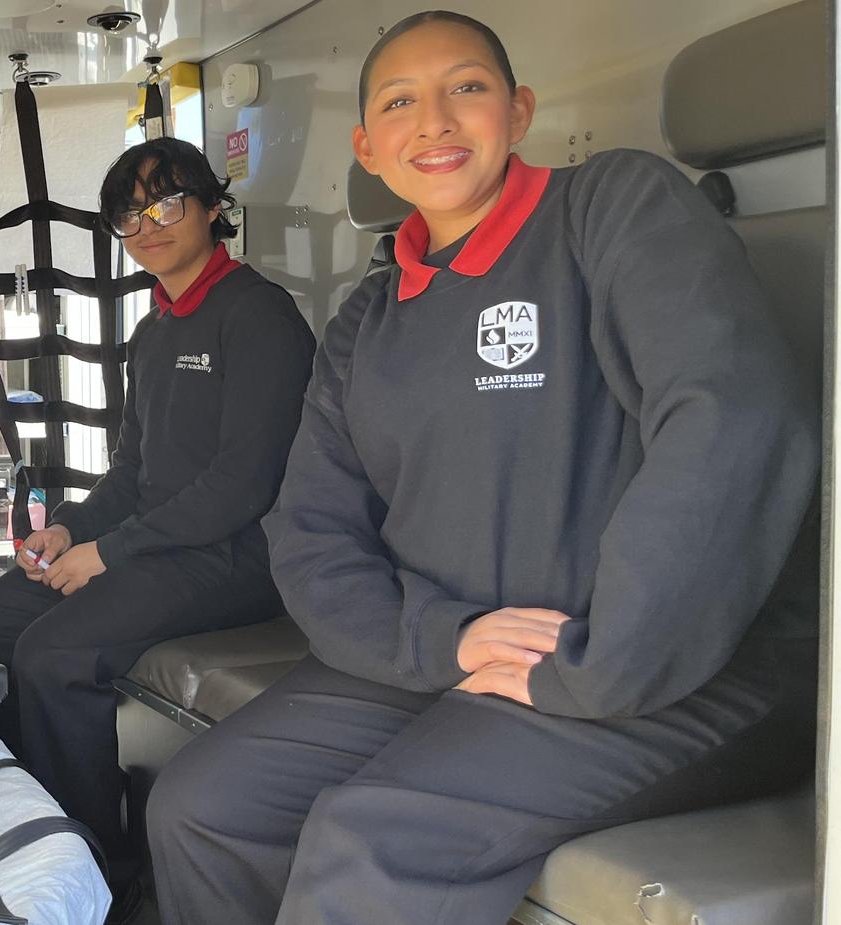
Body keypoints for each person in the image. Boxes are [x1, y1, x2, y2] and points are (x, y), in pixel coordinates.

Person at [144, 12, 819, 924]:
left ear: (519, 110)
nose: (434, 120)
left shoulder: (614, 206)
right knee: (201, 807)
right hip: (450, 647)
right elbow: (309, 531)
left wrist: (589, 666)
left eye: (466, 87)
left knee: (372, 840)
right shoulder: (366, 320)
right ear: (367, 147)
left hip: (667, 663)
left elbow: (730, 422)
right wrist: (441, 639)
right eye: (399, 102)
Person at [0, 137, 316, 907]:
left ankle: (97, 870)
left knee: (53, 653)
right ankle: (22, 824)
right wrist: (70, 531)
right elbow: (131, 472)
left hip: (242, 555)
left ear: (211, 207)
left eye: (167, 202)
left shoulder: (259, 316)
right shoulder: (153, 332)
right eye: (130, 214)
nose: (148, 225)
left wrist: (110, 552)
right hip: (160, 545)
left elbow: (243, 485)